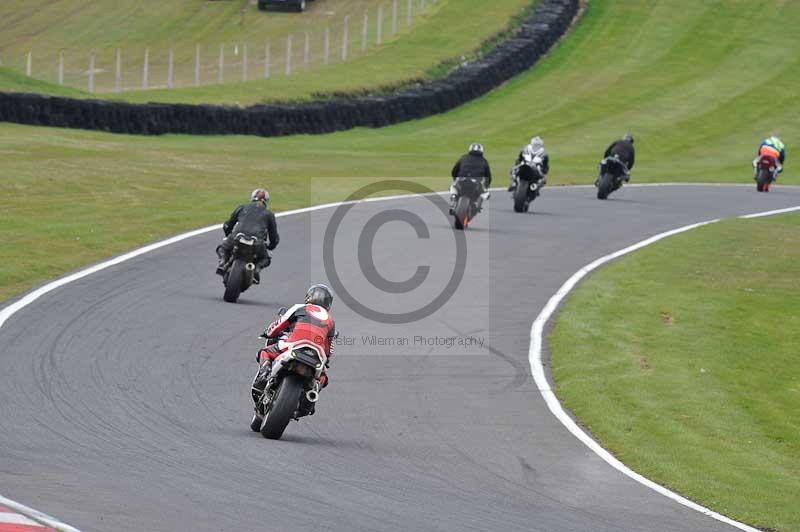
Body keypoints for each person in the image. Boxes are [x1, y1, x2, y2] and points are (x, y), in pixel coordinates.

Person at [250, 284, 337, 419]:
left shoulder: (299, 307)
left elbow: (279, 324)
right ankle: (311, 396)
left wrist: (267, 333)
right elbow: (329, 348)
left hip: (294, 345)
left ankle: (264, 374)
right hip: (316, 354)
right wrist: (325, 359)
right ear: (328, 303)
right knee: (323, 377)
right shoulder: (330, 320)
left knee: (264, 352)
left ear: (309, 296)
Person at [215, 188, 279, 284]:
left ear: (252, 198)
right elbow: (274, 235)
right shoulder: (269, 214)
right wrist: (271, 246)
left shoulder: (242, 207)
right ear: (266, 201)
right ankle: (256, 270)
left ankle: (223, 261)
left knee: (222, 248)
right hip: (257, 242)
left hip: (237, 237)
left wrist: (228, 234)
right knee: (266, 258)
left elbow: (228, 225)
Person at [450, 143, 492, 212]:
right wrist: (487, 185)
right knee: (484, 193)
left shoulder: (463, 157)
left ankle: (453, 200)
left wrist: (455, 179)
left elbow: (454, 171)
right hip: (476, 182)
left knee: (453, 187)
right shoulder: (484, 161)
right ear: (481, 151)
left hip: (461, 180)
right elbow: (488, 176)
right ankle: (475, 203)